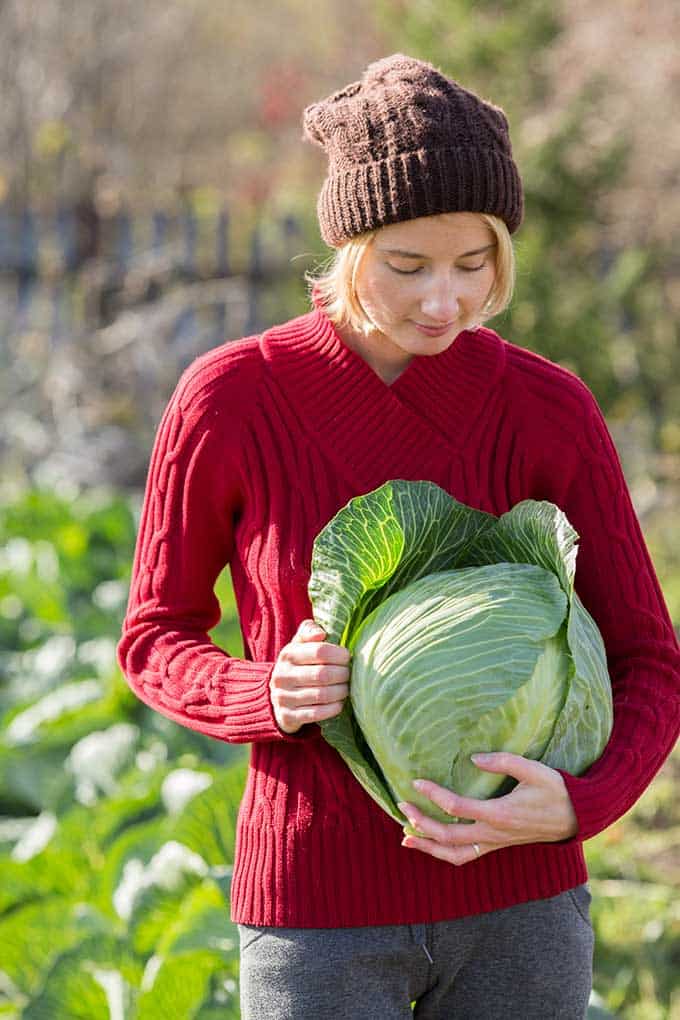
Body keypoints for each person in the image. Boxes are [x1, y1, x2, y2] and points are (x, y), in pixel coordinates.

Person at [117, 53, 680, 1019]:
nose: (443, 302)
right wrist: (267, 690)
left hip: (524, 906)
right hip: (316, 913)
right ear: (348, 250)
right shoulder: (232, 399)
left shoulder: (549, 408)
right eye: (408, 266)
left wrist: (583, 805)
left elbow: (649, 659)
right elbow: (153, 636)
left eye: (476, 266)